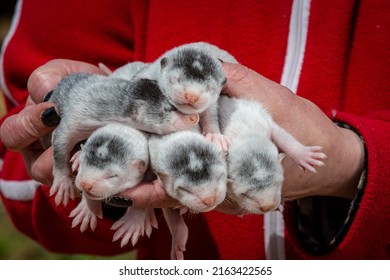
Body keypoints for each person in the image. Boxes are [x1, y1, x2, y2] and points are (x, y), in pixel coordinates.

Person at [0, 0, 388, 259]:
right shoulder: (145, 121)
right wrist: (97, 194)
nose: (185, 117)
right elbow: (24, 154)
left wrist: (354, 164)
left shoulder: (201, 120)